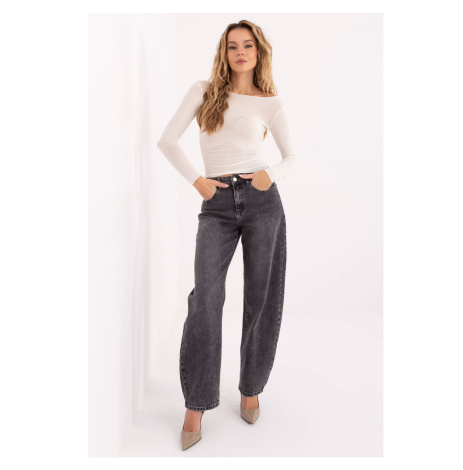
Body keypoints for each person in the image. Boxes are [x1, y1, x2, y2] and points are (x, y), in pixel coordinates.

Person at [157, 19, 300, 450]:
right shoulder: (203, 91)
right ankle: (196, 403)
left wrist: (270, 175)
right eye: (233, 46)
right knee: (206, 299)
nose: (240, 52)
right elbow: (167, 140)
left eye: (248, 45)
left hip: (262, 202)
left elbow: (293, 157)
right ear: (224, 52)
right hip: (216, 204)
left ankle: (250, 387)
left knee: (262, 296)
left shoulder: (270, 103)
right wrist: (198, 181)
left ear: (259, 52)